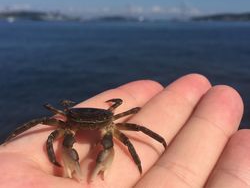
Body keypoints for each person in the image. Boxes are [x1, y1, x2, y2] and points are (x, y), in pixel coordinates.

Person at [0, 74, 249, 188]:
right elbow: (46, 134)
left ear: (112, 115)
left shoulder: (112, 122)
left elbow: (137, 126)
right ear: (67, 115)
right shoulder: (66, 121)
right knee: (53, 136)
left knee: (128, 140)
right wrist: (54, 157)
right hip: (76, 119)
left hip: (103, 120)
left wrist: (158, 141)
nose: (90, 129)